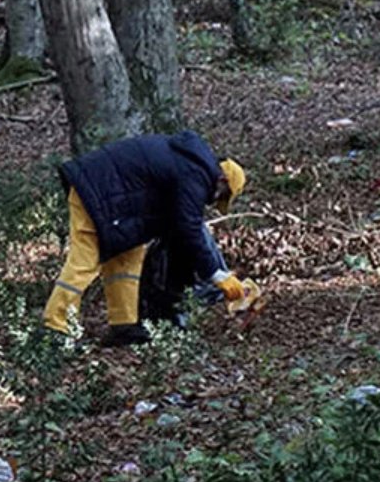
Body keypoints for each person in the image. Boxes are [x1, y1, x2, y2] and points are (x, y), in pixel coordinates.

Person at [42, 130, 247, 347]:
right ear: (222, 180)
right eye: (222, 196)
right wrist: (216, 274)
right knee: (85, 261)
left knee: (127, 258)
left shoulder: (192, 164)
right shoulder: (196, 174)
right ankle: (55, 326)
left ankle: (124, 326)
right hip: (96, 193)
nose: (214, 202)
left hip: (114, 198)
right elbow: (190, 227)